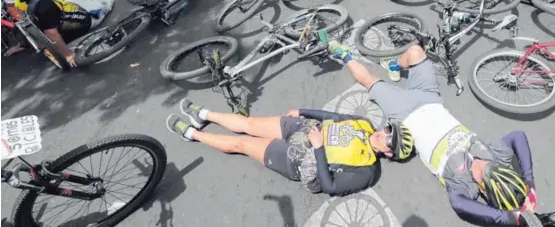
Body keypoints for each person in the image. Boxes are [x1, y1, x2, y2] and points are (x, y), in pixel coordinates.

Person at [325, 42, 537, 225]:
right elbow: (518, 135)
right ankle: (394, 65)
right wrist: (529, 185)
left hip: (404, 113)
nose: (481, 164)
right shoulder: (496, 157)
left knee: (369, 81)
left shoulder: (463, 186)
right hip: (430, 98)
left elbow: (461, 206)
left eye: (481, 171)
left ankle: (344, 55)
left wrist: (510, 219)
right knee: (415, 51)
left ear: (482, 190)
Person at [167, 98, 412, 196]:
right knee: (248, 123)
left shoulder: (367, 170)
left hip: (299, 158)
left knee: (241, 143)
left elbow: (330, 186)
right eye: (389, 128)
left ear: (388, 153)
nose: (384, 132)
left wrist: (318, 148)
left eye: (389, 138)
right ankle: (203, 114)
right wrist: (303, 112)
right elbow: (334, 116)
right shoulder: (366, 124)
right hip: (305, 129)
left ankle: (193, 133)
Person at [4, 0, 127, 67]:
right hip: (82, 18)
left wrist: (22, 44)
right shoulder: (44, 7)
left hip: (63, 9)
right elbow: (52, 33)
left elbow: (20, 25)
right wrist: (68, 55)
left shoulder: (17, 3)